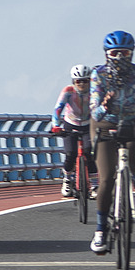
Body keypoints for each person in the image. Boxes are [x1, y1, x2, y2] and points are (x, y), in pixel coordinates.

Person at [89, 30, 135, 255]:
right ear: (107, 54)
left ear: (132, 53)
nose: (120, 57)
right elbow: (94, 111)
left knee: (133, 147)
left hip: (132, 121)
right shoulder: (98, 75)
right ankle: (100, 230)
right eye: (115, 53)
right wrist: (104, 106)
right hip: (104, 124)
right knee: (107, 177)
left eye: (125, 52)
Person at [52, 64, 98, 206]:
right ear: (74, 82)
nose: (82, 84)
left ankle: (95, 185)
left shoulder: (94, 91)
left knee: (89, 152)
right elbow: (58, 109)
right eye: (79, 81)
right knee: (70, 153)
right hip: (70, 124)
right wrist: (56, 126)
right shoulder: (68, 91)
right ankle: (67, 179)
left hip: (88, 124)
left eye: (85, 80)